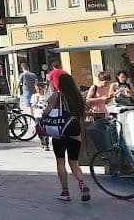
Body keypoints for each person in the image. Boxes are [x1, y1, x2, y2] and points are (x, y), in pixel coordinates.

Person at [44, 72, 90, 202]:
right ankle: (82, 183)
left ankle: (65, 192)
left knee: (60, 161)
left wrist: (43, 118)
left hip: (59, 132)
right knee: (74, 162)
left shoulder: (56, 96)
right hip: (75, 133)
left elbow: (46, 112)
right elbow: (82, 116)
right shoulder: (78, 97)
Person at [31, 81, 50, 150]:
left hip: (45, 114)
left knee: (45, 130)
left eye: (39, 88)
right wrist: (36, 102)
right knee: (38, 130)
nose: (38, 90)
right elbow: (32, 106)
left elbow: (50, 105)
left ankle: (46, 144)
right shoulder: (34, 96)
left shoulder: (46, 96)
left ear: (43, 88)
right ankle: (42, 141)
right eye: (37, 88)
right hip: (37, 115)